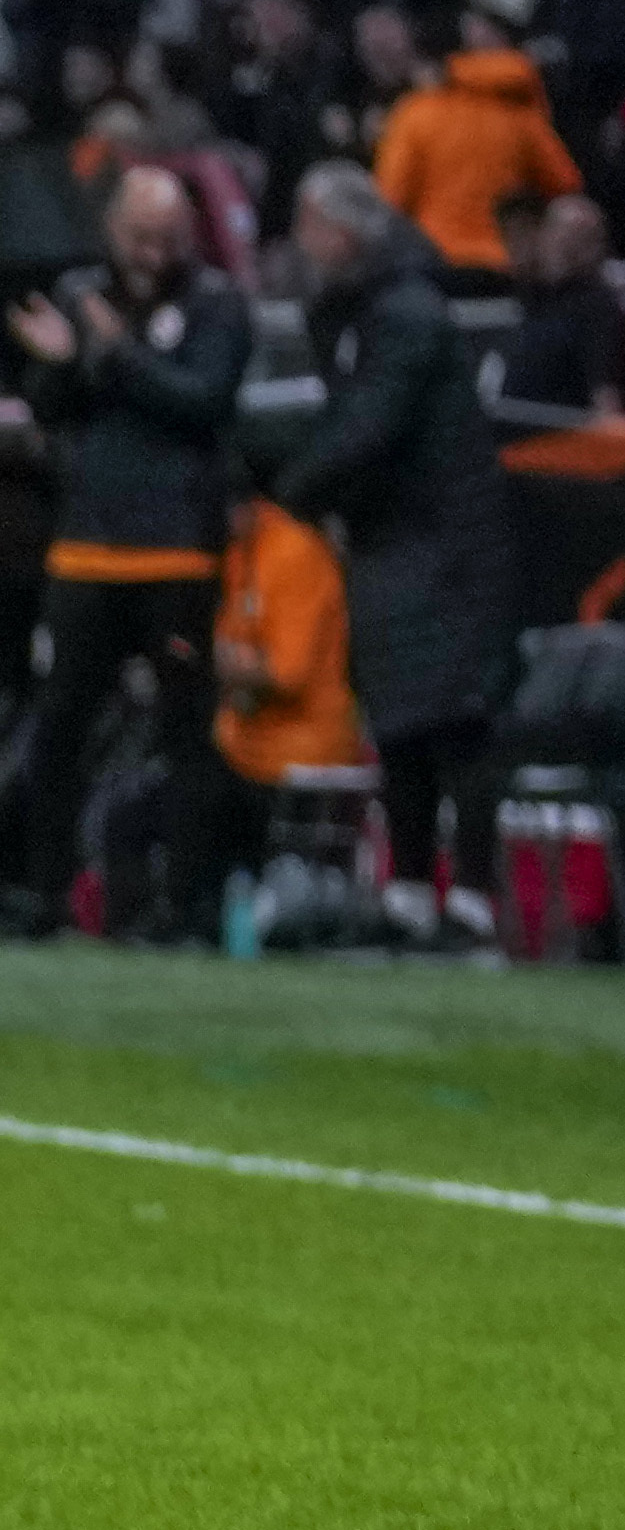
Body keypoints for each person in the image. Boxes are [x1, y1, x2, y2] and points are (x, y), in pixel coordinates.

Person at [0, 167, 254, 942]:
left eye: (166, 237)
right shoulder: (78, 291)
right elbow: (47, 411)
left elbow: (199, 402)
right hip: (84, 547)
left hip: (175, 551)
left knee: (185, 736)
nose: (150, 251)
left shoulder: (216, 305)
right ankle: (42, 898)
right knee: (58, 730)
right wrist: (52, 360)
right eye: (138, 235)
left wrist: (109, 353)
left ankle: (184, 906)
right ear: (111, 230)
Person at [276, 162, 520, 953]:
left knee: (459, 724)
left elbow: (367, 428)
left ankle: (473, 905)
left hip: (447, 547)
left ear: (339, 232)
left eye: (309, 229)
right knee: (403, 725)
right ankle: (412, 895)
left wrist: (290, 492)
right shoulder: (364, 310)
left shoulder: (403, 314)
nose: (301, 246)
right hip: (395, 544)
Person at [171, 480, 365, 944]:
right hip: (247, 737)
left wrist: (208, 658)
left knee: (198, 787)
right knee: (175, 774)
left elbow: (287, 671)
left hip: (301, 743)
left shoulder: (293, 552)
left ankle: (201, 922)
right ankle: (190, 921)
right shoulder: (238, 553)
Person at [370, 16, 580, 293]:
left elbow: (390, 199)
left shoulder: (413, 112)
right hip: (508, 264)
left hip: (436, 264)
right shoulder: (519, 113)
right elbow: (565, 184)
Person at [505, 194, 623, 414]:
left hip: (564, 437)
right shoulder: (531, 295)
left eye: (581, 238)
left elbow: (604, 392)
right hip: (514, 432)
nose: (567, 246)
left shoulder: (597, 309)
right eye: (561, 233)